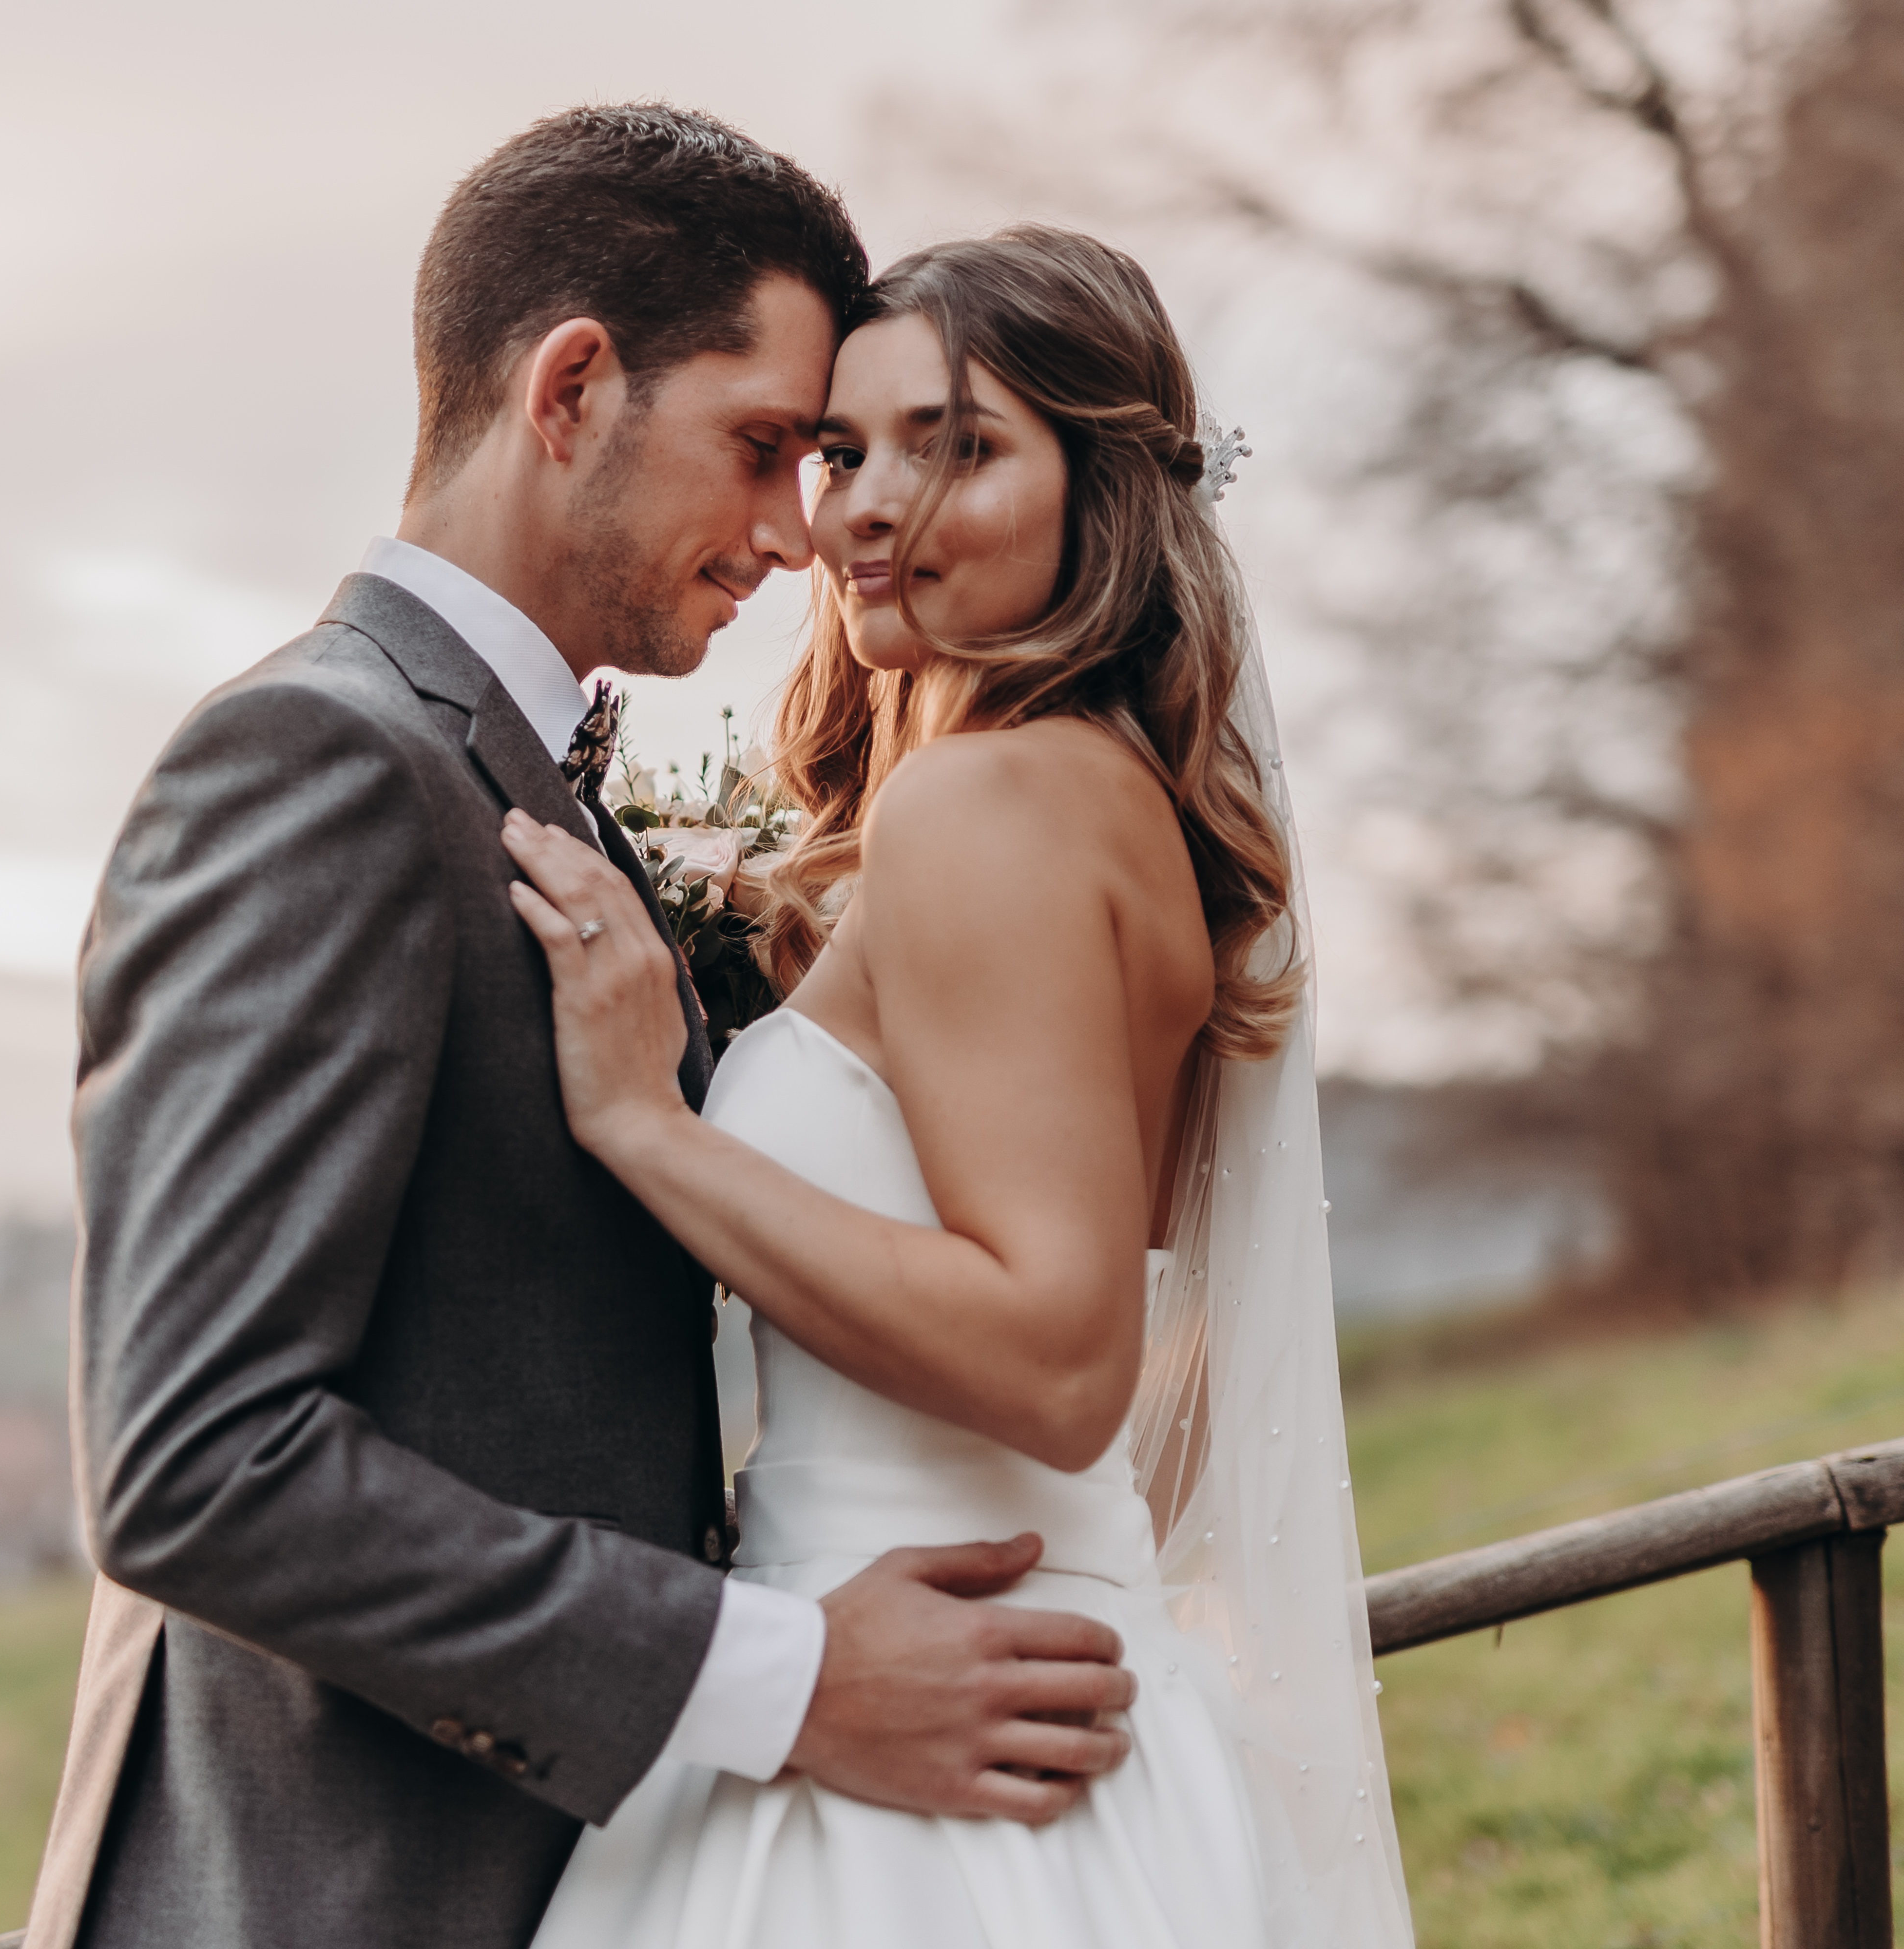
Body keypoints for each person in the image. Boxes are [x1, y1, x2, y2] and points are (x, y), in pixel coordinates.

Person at [16, 108, 1140, 1949]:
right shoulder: (315, 762)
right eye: (767, 448)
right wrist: (783, 1679)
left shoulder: (531, 787)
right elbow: (194, 1464)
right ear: (571, 388)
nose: (802, 534)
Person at [502, 224, 1413, 1948]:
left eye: (962, 446)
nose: (864, 505)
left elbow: (1064, 1361)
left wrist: (644, 1123)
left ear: (1106, 494)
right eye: (844, 449)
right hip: (1042, 1687)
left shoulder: (988, 802)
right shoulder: (1100, 792)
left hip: (935, 1759)